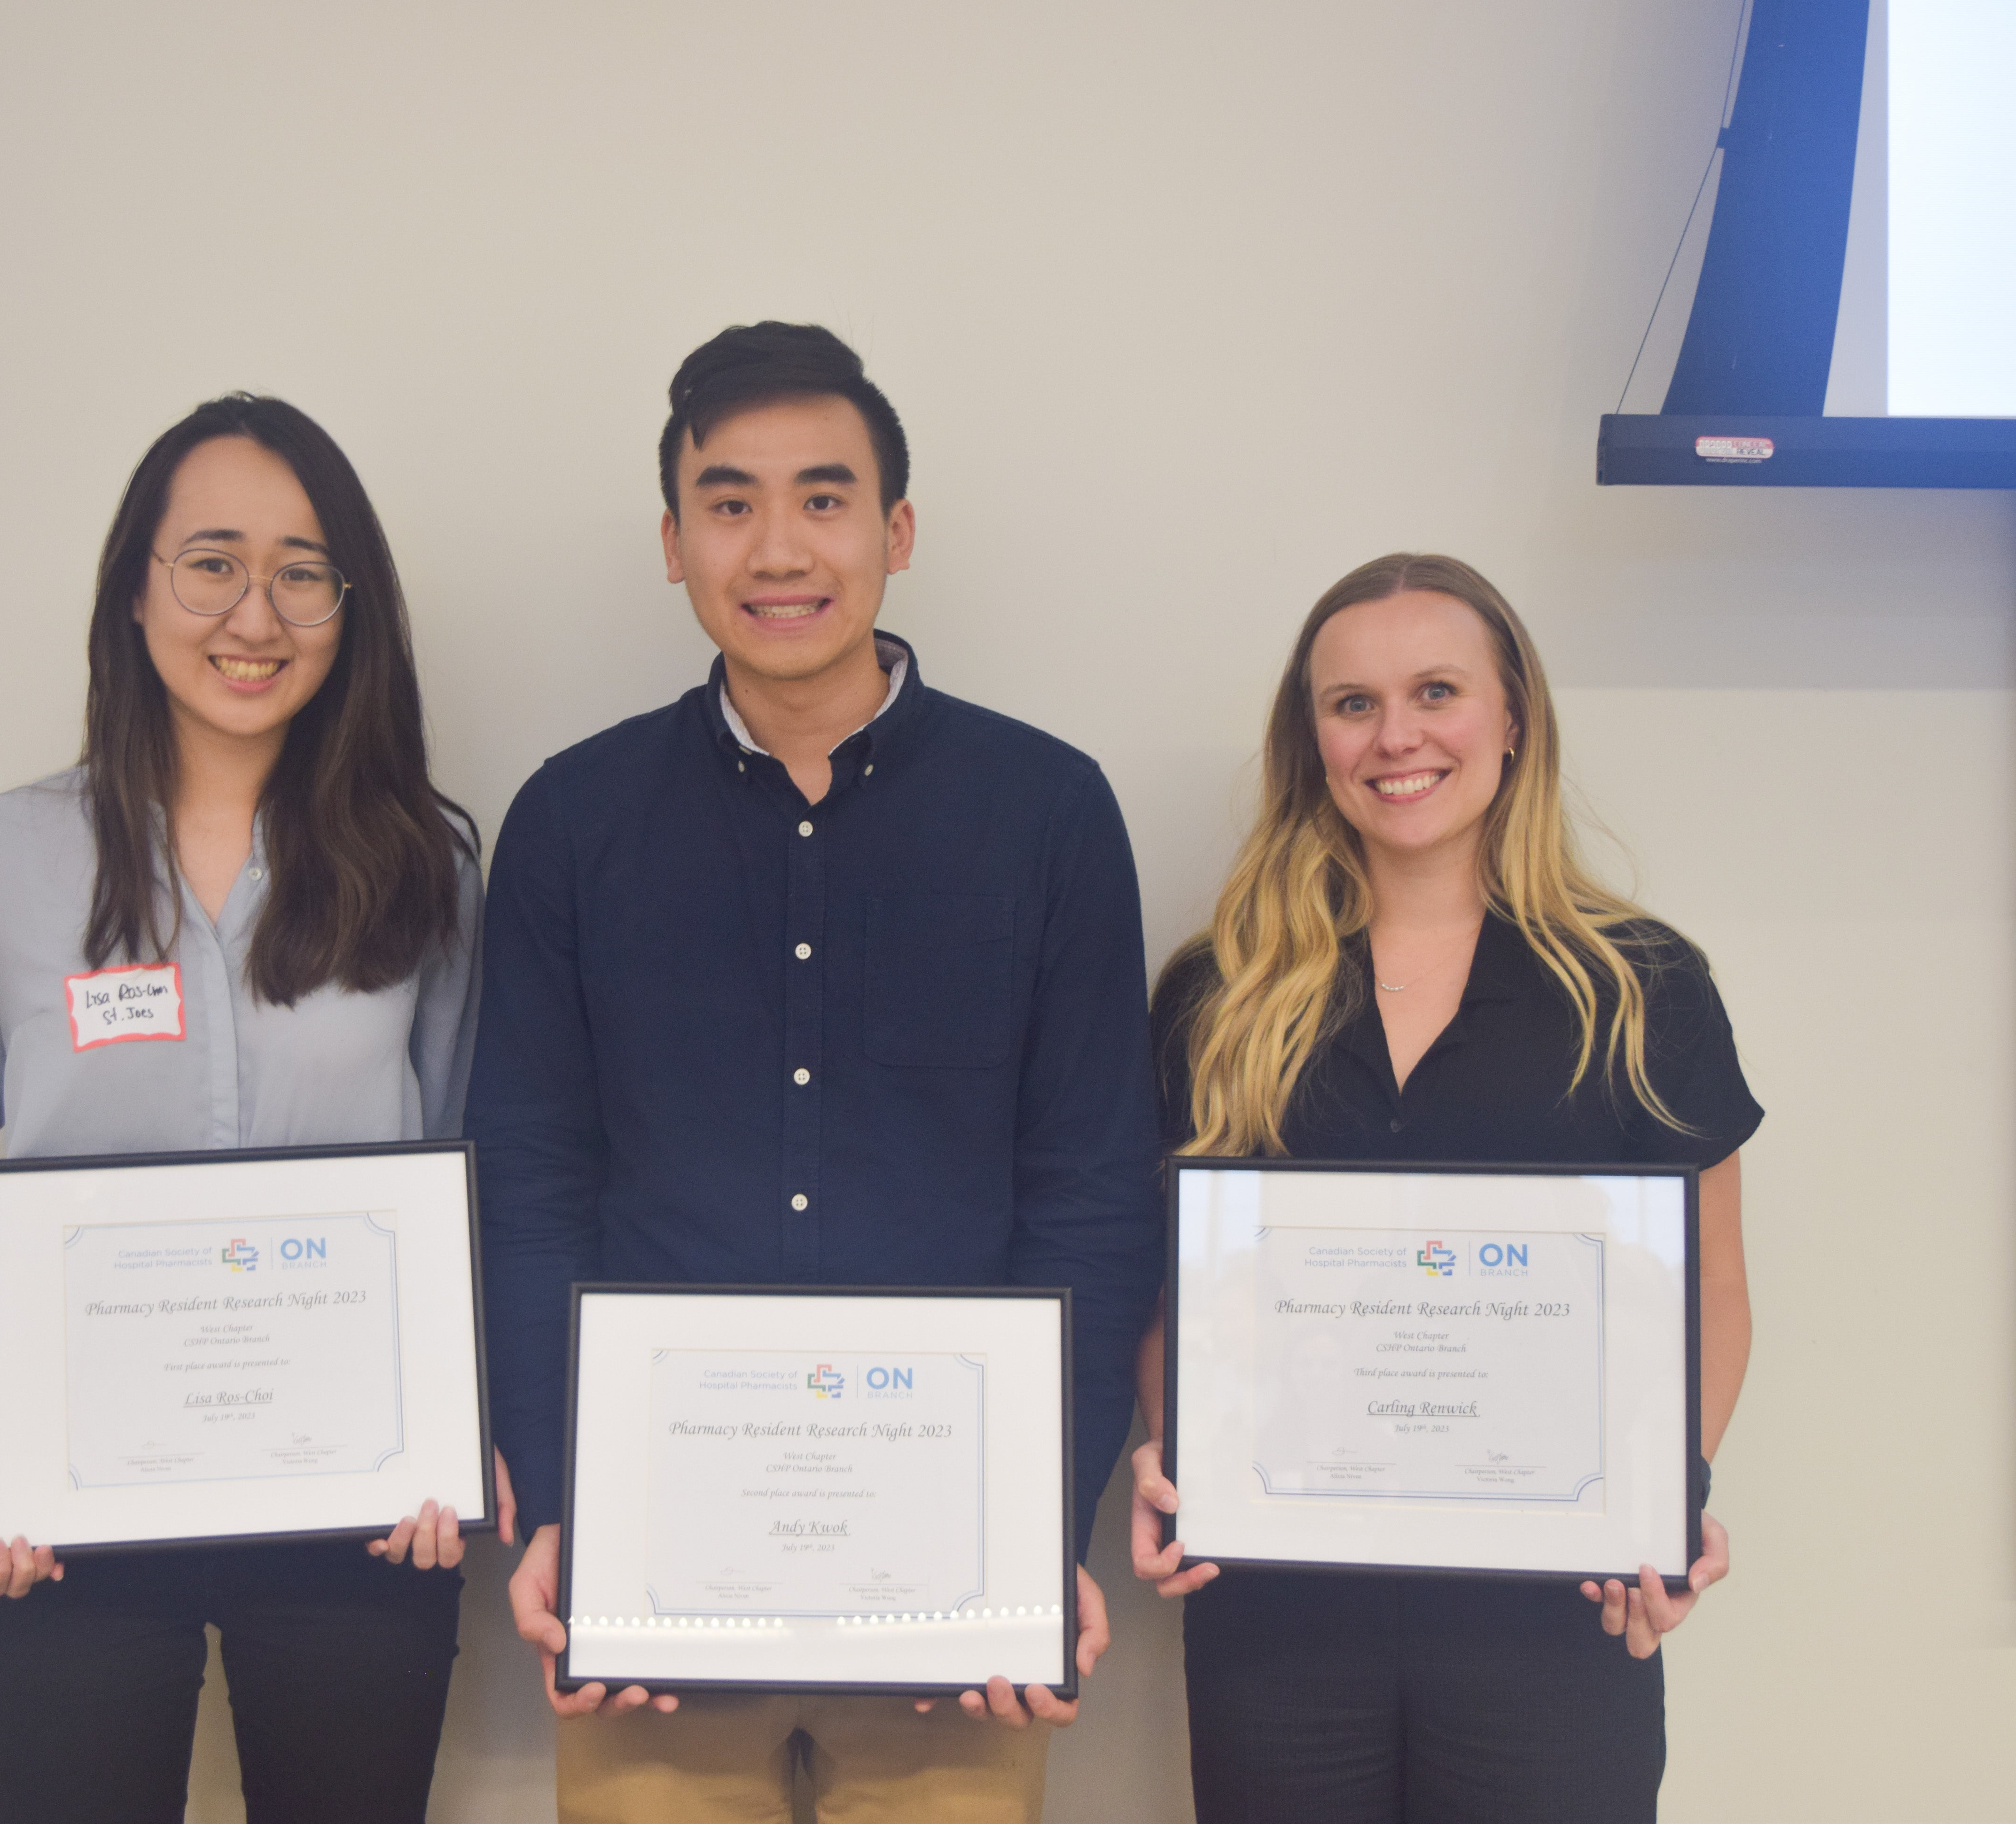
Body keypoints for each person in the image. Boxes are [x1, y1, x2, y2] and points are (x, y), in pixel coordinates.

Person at [470, 321, 1163, 1822]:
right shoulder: (572, 823)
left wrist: (1037, 1526)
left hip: (949, 1602)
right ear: (673, 543)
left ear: (897, 532)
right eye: (728, 503)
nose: (777, 547)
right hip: (656, 1592)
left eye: (824, 497)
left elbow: (1094, 1194)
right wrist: (566, 1502)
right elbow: (529, 1182)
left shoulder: (1047, 813)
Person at [0, 394, 486, 1824]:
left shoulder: (429, 866)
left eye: (302, 571)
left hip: (361, 1527)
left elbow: (465, 1186)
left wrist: (452, 1435)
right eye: (211, 562)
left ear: (353, 608)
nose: (253, 615)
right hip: (61, 1523)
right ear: (136, 588)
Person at [1128, 553, 1758, 1824]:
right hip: (1279, 1610)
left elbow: (1718, 1297)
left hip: (1555, 1616)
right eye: (1352, 704)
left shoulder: (1643, 988)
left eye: (1436, 692)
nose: (1395, 737)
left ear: (1512, 719)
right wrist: (1164, 1453)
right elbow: (1169, 1293)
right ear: (1312, 740)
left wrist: (1664, 1498)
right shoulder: (1220, 993)